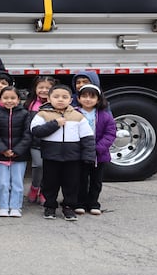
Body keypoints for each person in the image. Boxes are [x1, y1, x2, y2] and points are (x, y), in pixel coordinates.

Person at [30, 84, 95, 221]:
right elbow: (36, 131)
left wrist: (88, 156)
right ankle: (50, 206)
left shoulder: (78, 116)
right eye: (56, 96)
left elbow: (88, 138)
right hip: (51, 156)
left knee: (71, 184)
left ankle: (69, 207)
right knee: (50, 183)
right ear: (49, 98)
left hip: (73, 158)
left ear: (71, 100)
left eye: (64, 97)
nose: (60, 100)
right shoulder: (42, 114)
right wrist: (55, 124)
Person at [0, 86, 32, 218]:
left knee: (17, 183)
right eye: (5, 98)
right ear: (0, 99)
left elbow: (28, 134)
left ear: (18, 99)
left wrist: (17, 150)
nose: (9, 101)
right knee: (2, 183)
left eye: (13, 98)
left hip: (20, 155)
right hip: (0, 155)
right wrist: (3, 150)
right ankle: (3, 206)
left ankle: (16, 207)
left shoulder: (25, 114)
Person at [74, 84, 116, 215]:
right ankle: (79, 203)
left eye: (92, 97)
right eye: (84, 96)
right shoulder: (74, 113)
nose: (88, 99)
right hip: (80, 153)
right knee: (80, 179)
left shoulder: (105, 115)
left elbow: (110, 134)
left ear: (98, 99)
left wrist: (98, 148)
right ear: (79, 98)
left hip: (99, 155)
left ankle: (93, 203)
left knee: (96, 181)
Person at [23, 76, 58, 206]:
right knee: (38, 165)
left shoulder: (57, 103)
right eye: (40, 87)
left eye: (47, 88)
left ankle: (44, 191)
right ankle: (35, 187)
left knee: (49, 168)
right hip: (35, 143)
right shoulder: (30, 104)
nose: (43, 90)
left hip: (51, 143)